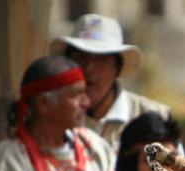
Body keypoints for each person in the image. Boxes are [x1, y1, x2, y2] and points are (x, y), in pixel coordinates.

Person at [51, 13, 171, 151]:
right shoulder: (53, 116)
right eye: (80, 57)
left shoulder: (153, 117)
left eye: (101, 59)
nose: (89, 69)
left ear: (117, 68)